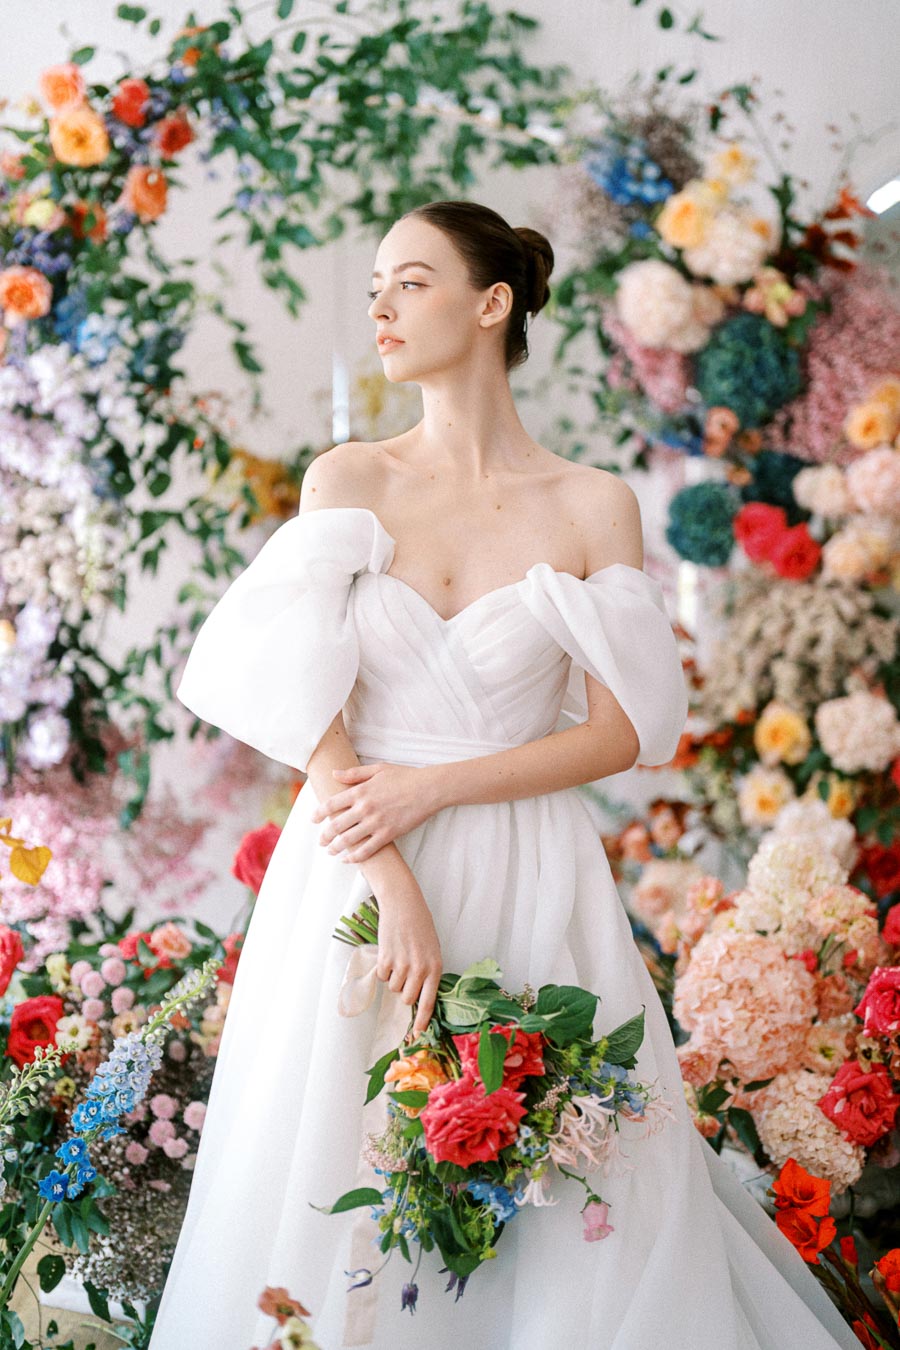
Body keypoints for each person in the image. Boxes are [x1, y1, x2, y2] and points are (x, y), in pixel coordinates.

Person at [148, 201, 859, 1349]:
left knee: (558, 1174)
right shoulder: (351, 480)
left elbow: (625, 732)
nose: (380, 305)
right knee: (335, 1160)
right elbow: (299, 700)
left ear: (491, 305)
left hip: (529, 866)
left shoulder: (590, 505)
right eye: (376, 281)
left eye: (411, 281)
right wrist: (391, 878)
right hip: (355, 861)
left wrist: (433, 788)